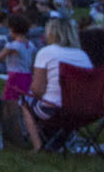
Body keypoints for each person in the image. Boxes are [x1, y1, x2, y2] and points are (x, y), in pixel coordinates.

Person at [20, 17, 94, 152]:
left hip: (55, 111)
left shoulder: (46, 52)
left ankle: (37, 146)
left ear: (51, 33)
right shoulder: (83, 55)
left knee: (24, 101)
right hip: (84, 109)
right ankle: (64, 137)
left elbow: (37, 89)